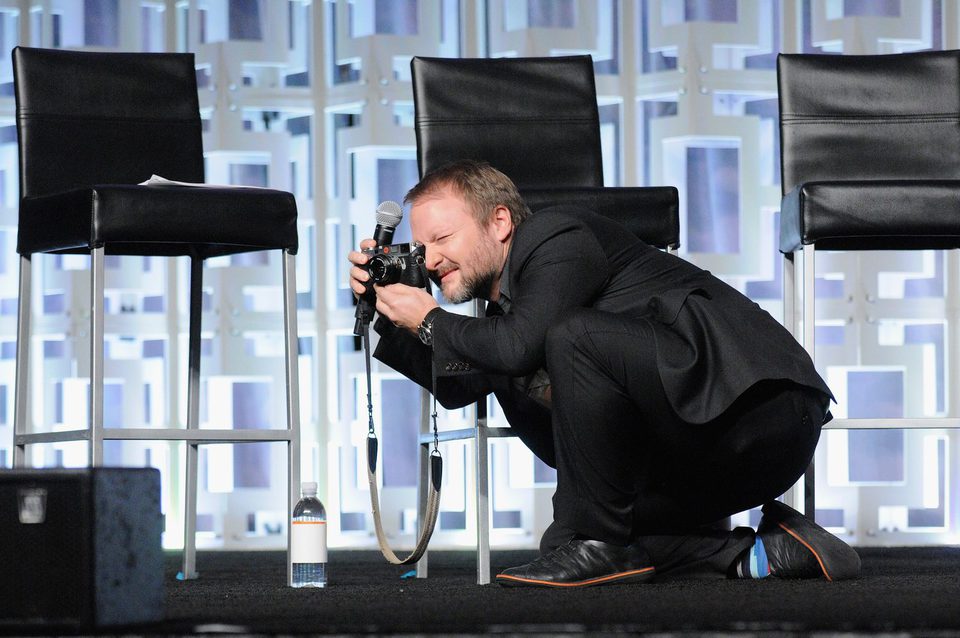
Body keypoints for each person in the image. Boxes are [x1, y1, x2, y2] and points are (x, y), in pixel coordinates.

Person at [348, 159, 860, 587]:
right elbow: (463, 384)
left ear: (499, 221)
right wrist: (388, 320)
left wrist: (431, 319)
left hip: (759, 409)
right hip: (700, 458)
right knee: (564, 539)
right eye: (421, 249)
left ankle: (605, 544)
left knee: (570, 338)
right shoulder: (508, 314)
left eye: (442, 238)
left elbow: (520, 347)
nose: (431, 260)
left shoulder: (555, 236)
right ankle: (759, 554)